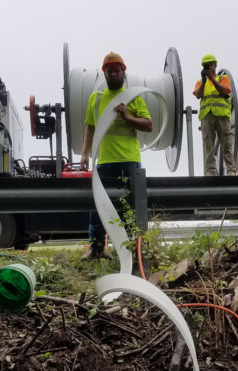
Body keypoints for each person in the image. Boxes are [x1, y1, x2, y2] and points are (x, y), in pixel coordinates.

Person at [80, 52, 153, 260]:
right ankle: (96, 249)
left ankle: (131, 249)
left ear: (123, 72)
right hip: (104, 161)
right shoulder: (96, 99)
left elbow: (149, 125)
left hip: (129, 160)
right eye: (109, 71)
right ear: (105, 73)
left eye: (117, 70)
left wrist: (127, 116)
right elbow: (90, 129)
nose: (113, 74)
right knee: (99, 206)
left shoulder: (133, 98)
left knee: (130, 206)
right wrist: (84, 154)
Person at [193, 53, 235, 176]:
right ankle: (210, 172)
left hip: (222, 116)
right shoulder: (200, 82)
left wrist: (212, 79)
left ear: (215, 65)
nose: (208, 67)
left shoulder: (223, 79)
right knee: (208, 146)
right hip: (207, 116)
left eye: (210, 64)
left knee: (226, 144)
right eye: (205, 66)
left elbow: (224, 91)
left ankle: (231, 170)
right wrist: (205, 81)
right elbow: (198, 95)